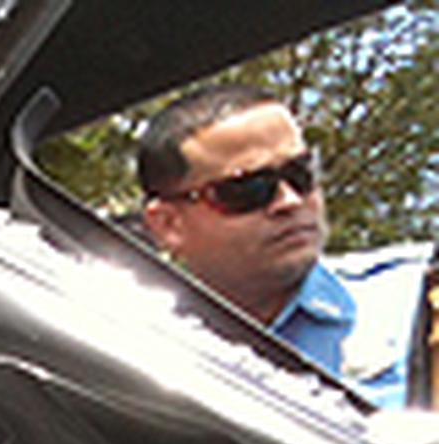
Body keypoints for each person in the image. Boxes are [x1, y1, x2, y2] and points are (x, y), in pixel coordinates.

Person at [137, 84, 410, 406]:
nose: (289, 201)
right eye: (249, 189)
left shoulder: (414, 301)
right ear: (169, 225)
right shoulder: (146, 358)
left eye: (300, 173)